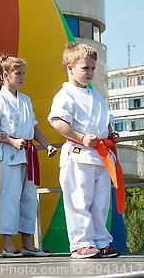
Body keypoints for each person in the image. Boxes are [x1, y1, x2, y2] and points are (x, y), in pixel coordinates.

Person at [48, 43, 123, 259]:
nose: (90, 73)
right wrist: (81, 137)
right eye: (85, 68)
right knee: (79, 201)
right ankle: (81, 243)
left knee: (100, 203)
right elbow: (57, 121)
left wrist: (111, 136)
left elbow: (106, 123)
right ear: (70, 68)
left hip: (100, 157)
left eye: (92, 68)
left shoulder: (97, 97)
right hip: (78, 155)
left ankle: (101, 242)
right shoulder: (65, 94)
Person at [0, 54, 57, 258]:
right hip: (10, 151)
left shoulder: (25, 100)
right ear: (5, 75)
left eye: (23, 73)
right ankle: (8, 244)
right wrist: (11, 141)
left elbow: (33, 128)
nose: (22, 77)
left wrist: (47, 145)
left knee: (29, 198)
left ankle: (28, 243)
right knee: (10, 198)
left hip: (28, 152)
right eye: (18, 73)